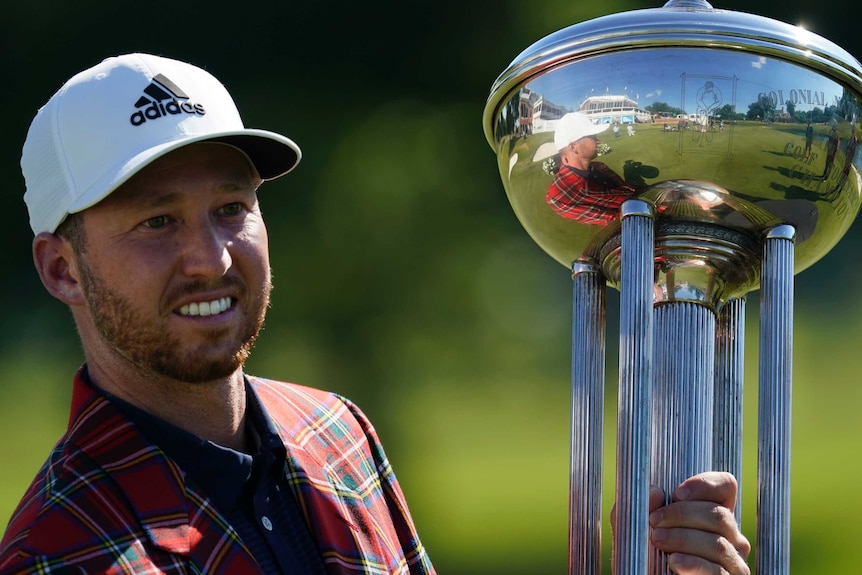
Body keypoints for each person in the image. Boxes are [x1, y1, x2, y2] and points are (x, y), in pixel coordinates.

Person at [0, 54, 751, 574]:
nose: (212, 258)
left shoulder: (337, 432)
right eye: (157, 222)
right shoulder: (56, 552)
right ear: (63, 267)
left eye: (231, 208)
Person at [545, 112, 638, 225]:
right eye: (593, 138)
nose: (598, 141)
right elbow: (613, 220)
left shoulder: (599, 166)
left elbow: (625, 189)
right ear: (573, 147)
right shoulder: (559, 195)